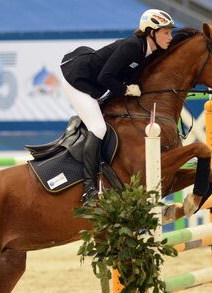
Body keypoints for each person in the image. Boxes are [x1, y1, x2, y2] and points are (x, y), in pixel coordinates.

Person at [60, 9, 175, 203]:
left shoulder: (148, 51)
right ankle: (88, 189)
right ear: (151, 33)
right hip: (78, 81)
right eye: (166, 32)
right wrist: (127, 90)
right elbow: (104, 77)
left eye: (170, 32)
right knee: (98, 128)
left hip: (96, 83)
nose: (170, 37)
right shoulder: (133, 47)